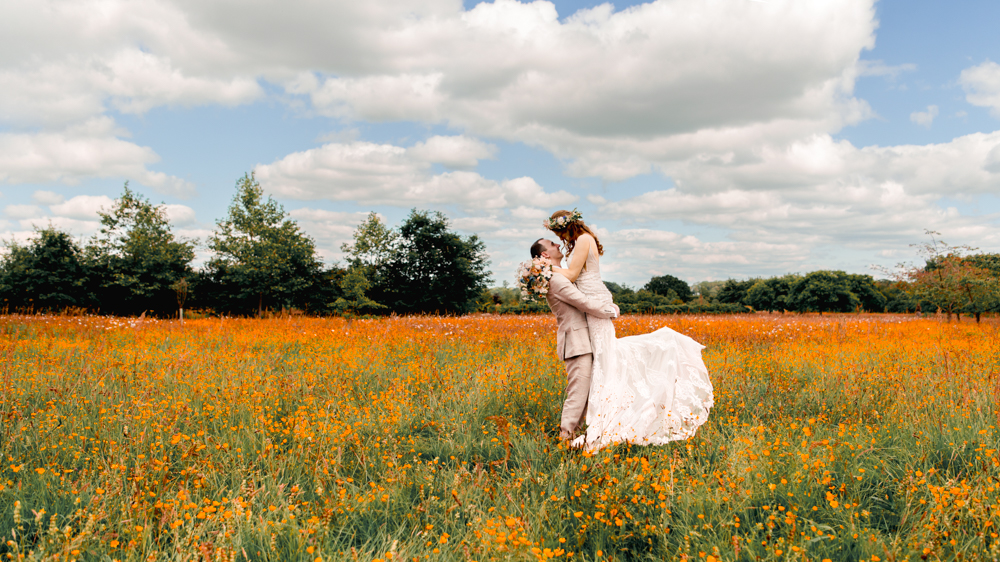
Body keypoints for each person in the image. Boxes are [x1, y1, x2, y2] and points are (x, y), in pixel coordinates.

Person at [545, 209, 714, 451]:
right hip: (590, 300)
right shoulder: (579, 242)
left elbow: (571, 275)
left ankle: (613, 415)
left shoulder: (583, 240)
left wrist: (544, 269)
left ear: (568, 226)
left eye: (559, 232)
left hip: (594, 300)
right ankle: (602, 414)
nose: (560, 238)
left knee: (607, 356)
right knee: (606, 357)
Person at [530, 238, 620, 443]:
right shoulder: (556, 279)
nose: (558, 245)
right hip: (575, 341)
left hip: (581, 339)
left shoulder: (559, 276)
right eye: (553, 244)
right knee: (578, 391)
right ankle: (565, 437)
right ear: (544, 254)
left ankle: (574, 435)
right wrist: (610, 311)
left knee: (586, 390)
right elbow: (582, 302)